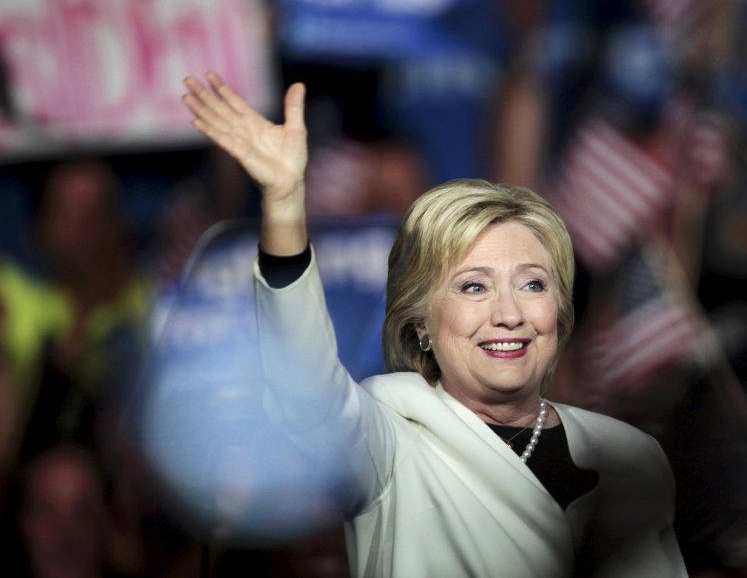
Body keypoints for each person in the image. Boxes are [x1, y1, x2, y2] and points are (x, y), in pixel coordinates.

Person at [181, 71, 687, 577]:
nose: (509, 313)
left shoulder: (634, 460)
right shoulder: (393, 438)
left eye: (533, 284)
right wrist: (286, 202)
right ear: (421, 322)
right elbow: (306, 389)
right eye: (474, 287)